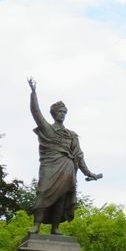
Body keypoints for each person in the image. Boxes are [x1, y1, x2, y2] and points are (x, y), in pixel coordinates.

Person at [27, 78, 101, 233]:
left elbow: (79, 155)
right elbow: (36, 113)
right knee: (43, 192)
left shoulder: (71, 135)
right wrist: (33, 93)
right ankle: (37, 225)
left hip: (67, 168)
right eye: (59, 111)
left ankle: (55, 227)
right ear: (53, 113)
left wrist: (89, 173)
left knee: (61, 197)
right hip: (50, 165)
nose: (62, 114)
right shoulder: (47, 129)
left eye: (64, 112)